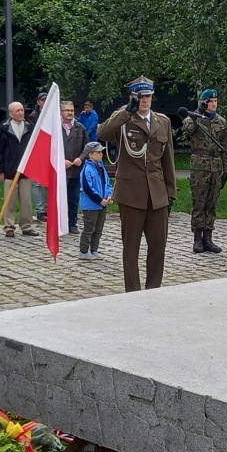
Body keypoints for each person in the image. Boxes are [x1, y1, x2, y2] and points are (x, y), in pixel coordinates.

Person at [99, 76, 177, 291]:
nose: (145, 100)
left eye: (148, 96)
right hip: (131, 193)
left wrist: (170, 192)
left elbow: (168, 159)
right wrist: (126, 112)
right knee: (131, 248)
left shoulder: (163, 121)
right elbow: (102, 133)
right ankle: (133, 291)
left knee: (158, 247)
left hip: (157, 194)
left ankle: (154, 289)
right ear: (132, 96)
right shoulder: (123, 119)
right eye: (140, 96)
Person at [185, 88, 227, 254]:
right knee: (199, 202)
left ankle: (208, 237)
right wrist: (197, 113)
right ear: (203, 102)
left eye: (215, 101)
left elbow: (226, 146)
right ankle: (197, 238)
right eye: (210, 101)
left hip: (216, 166)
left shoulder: (221, 122)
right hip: (200, 166)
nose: (213, 104)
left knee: (212, 203)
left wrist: (225, 169)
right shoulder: (194, 118)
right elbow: (188, 128)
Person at [0, 102, 38, 237]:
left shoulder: (30, 127)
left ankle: (26, 226)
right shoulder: (4, 128)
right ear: (11, 113)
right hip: (10, 170)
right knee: (9, 201)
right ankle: (9, 227)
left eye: (22, 110)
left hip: (26, 171)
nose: (21, 112)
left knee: (26, 201)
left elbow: (35, 148)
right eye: (17, 110)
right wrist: (0, 170)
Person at [78, 141, 113, 260]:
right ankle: (83, 251)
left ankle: (94, 249)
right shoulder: (87, 170)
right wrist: (100, 200)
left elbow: (107, 183)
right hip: (91, 206)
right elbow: (88, 188)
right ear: (90, 155)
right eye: (98, 152)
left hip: (102, 204)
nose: (101, 154)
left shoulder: (101, 168)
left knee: (98, 229)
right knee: (89, 229)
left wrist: (109, 195)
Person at [60, 100, 89, 233]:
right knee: (60, 199)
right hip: (60, 170)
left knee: (73, 198)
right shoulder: (55, 127)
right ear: (61, 112)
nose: (70, 113)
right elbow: (49, 148)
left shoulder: (80, 127)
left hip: (75, 170)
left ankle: (72, 223)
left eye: (72, 110)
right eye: (67, 110)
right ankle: (60, 224)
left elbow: (87, 147)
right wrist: (61, 160)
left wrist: (81, 158)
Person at [28, 91, 48, 221]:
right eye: (43, 100)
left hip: (50, 151)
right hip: (37, 152)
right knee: (37, 183)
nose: (45, 102)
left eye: (46, 100)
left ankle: (48, 208)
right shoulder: (33, 116)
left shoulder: (55, 115)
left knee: (49, 183)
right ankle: (40, 210)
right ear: (38, 102)